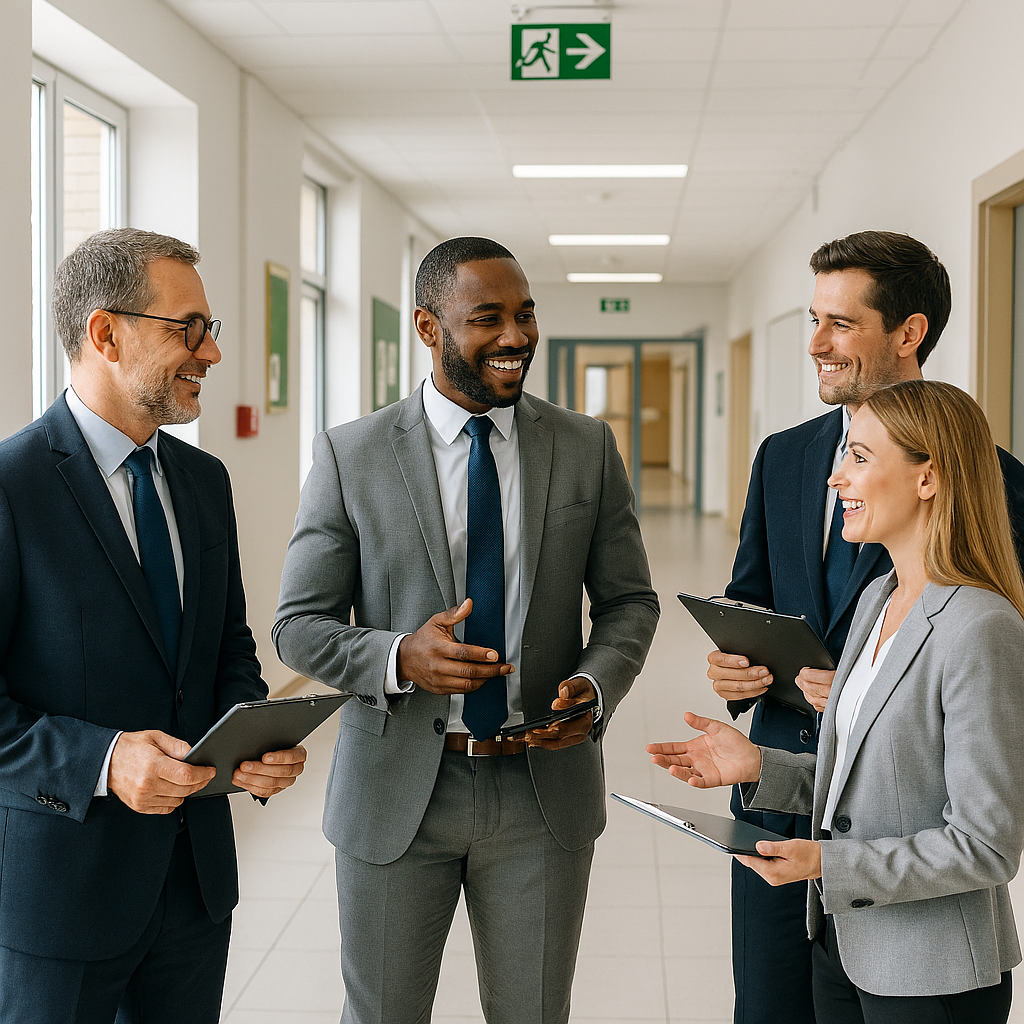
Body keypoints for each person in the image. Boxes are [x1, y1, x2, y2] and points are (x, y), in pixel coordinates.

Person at [273, 236, 660, 1024]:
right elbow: (296, 627)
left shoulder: (585, 448)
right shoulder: (353, 454)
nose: (515, 337)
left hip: (539, 792)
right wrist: (397, 656)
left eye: (525, 315)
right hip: (395, 792)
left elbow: (630, 603)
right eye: (487, 318)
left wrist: (593, 685)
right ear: (427, 327)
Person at [708, 231, 1024, 1023]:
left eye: (839, 323)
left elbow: (990, 705)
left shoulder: (994, 490)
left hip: (914, 880)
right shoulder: (787, 458)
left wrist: (875, 696)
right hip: (790, 815)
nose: (816, 344)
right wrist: (743, 693)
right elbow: (750, 599)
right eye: (813, 320)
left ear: (908, 332)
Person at [0, 228, 307, 1023]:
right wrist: (104, 759)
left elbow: (226, 647)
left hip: (195, 892)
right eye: (188, 328)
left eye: (211, 330)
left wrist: (253, 740)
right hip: (62, 898)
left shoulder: (204, 482)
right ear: (105, 333)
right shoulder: (11, 487)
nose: (209, 352)